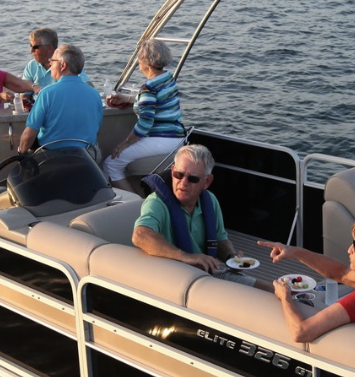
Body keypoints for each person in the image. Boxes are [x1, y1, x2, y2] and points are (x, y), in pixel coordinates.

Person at [132, 144, 241, 276]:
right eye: (179, 174)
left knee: (268, 290)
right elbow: (140, 235)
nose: (183, 183)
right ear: (172, 172)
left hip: (209, 272)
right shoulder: (156, 203)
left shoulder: (210, 201)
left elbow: (219, 239)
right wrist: (187, 257)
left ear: (207, 181)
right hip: (178, 276)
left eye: (193, 178)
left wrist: (231, 257)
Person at [104, 39, 185, 181]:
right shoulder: (167, 78)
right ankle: (139, 197)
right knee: (122, 165)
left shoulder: (149, 88)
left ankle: (134, 202)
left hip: (161, 139)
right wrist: (129, 99)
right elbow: (157, 101)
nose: (137, 62)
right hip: (177, 138)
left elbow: (145, 124)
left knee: (111, 164)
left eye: (139, 59)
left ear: (147, 63)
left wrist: (124, 144)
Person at [17, 43, 102, 154]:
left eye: (53, 60)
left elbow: (29, 134)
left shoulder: (46, 94)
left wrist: (21, 154)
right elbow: (96, 128)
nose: (50, 63)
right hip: (87, 155)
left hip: (53, 156)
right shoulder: (94, 94)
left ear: (63, 65)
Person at [21, 27, 58, 93]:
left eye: (35, 47)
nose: (31, 50)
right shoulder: (32, 65)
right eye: (31, 46)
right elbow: (25, 96)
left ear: (49, 48)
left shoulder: (68, 66)